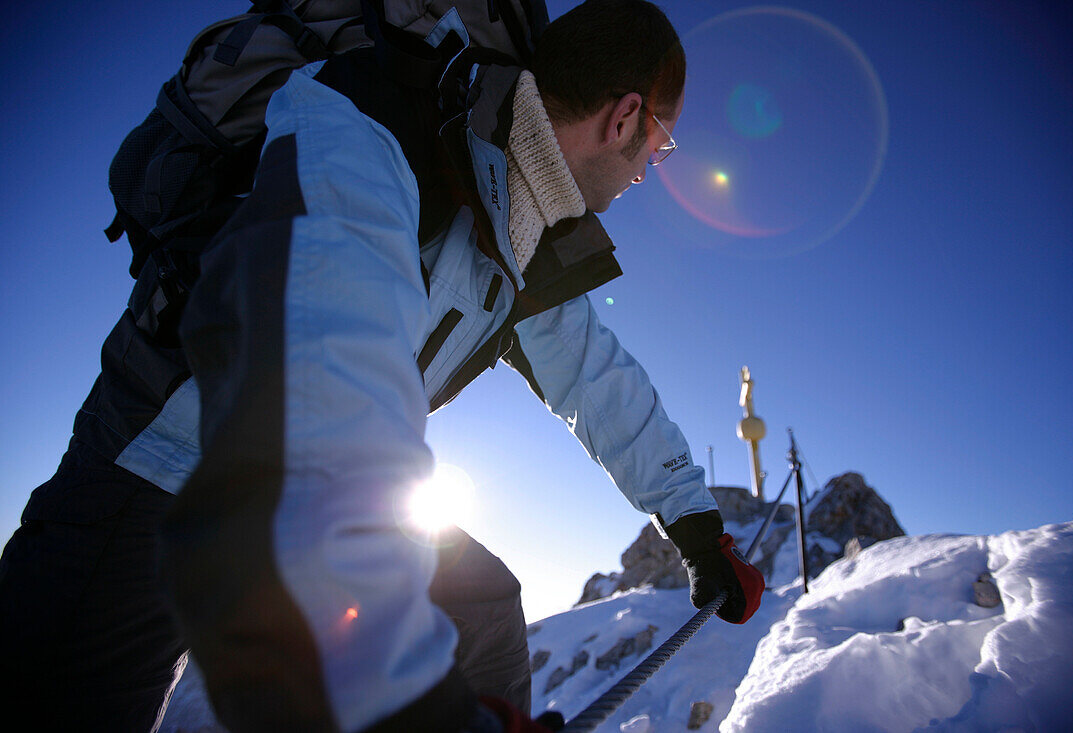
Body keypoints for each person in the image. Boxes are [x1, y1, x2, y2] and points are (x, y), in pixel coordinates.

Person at [0, 1, 764, 731]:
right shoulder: (372, 120)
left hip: (313, 494)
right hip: (158, 468)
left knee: (483, 612)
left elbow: (598, 379)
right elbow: (322, 362)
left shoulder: (528, 230)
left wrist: (695, 524)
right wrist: (402, 697)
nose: (648, 170)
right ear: (624, 116)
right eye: (661, 146)